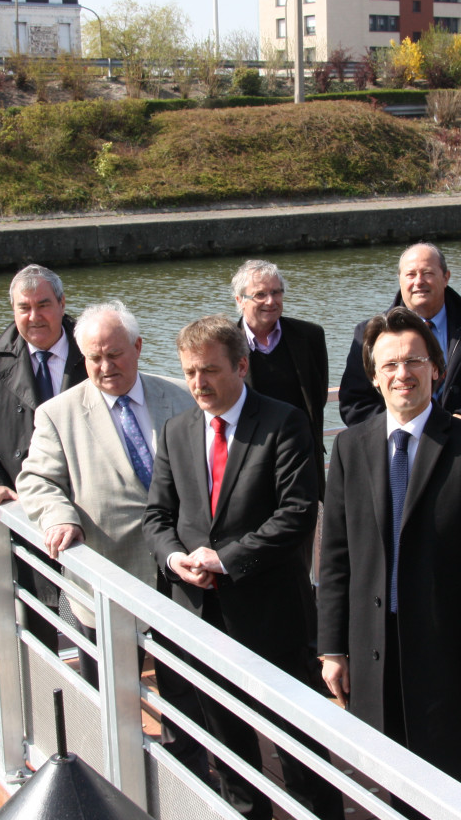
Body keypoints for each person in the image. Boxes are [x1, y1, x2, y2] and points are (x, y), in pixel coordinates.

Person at [142, 316, 342, 820]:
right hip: (200, 612)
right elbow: (158, 516)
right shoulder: (176, 430)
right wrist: (175, 559)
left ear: (242, 366)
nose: (198, 383)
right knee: (226, 743)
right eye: (189, 372)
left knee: (299, 742)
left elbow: (298, 513)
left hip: (273, 614)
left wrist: (226, 560)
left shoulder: (284, 422)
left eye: (209, 370)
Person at [318, 307, 461, 807]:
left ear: (436, 368)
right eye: (389, 365)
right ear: (373, 377)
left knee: (448, 784)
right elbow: (336, 557)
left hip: (446, 651)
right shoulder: (349, 449)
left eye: (413, 361)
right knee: (386, 777)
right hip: (374, 646)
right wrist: (333, 648)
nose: (402, 374)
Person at [16, 300, 206, 773]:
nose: (105, 367)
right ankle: (120, 779)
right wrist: (59, 516)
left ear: (138, 348)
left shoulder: (180, 396)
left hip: (180, 572)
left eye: (115, 354)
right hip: (105, 577)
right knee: (110, 695)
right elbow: (36, 480)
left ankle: (189, 775)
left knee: (185, 689)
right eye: (95, 358)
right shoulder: (58, 414)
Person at [0, 263, 85, 648]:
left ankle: (104, 699)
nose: (34, 316)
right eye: (23, 307)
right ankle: (49, 703)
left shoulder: (97, 348)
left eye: (43, 304)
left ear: (62, 304)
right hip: (27, 516)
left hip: (90, 510)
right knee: (37, 622)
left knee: (99, 622)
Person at [338, 242, 461, 435]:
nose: (419, 281)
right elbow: (354, 403)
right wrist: (401, 429)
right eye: (410, 274)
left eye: (427, 273)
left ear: (446, 277)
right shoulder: (369, 334)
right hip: (398, 450)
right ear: (400, 280)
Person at [231, 259, 328, 474]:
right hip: (247, 456)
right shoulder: (225, 343)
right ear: (240, 300)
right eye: (260, 294)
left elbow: (317, 395)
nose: (271, 301)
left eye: (277, 292)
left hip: (300, 453)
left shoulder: (310, 336)